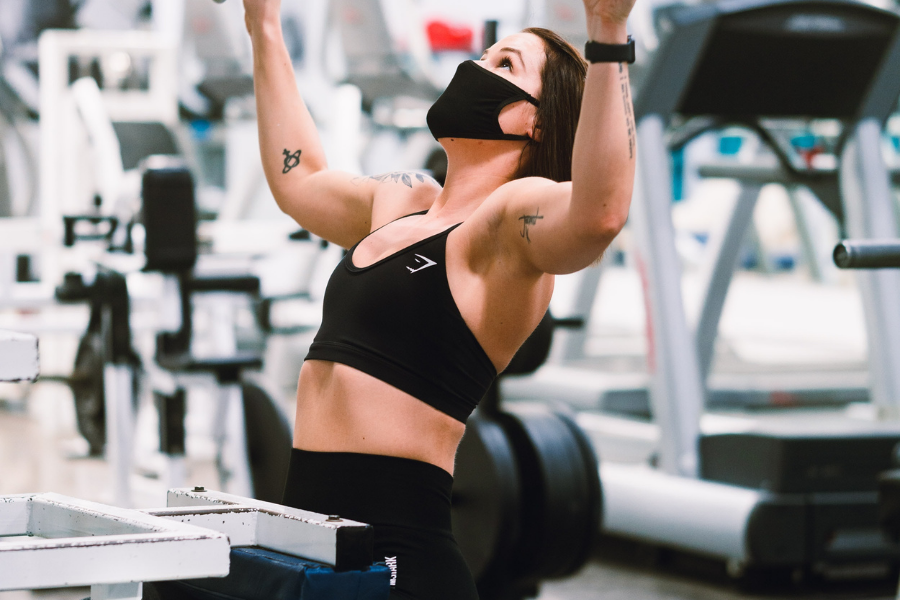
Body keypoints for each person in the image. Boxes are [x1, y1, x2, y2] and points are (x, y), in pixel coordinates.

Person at [242, 0, 636, 597]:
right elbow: (298, 180)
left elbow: (599, 215)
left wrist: (608, 31)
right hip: (310, 545)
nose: (475, 66)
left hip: (399, 560)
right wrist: (263, 25)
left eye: (502, 62)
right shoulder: (402, 201)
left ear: (532, 120)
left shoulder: (501, 228)